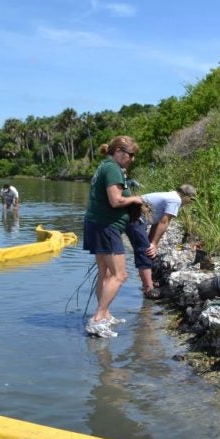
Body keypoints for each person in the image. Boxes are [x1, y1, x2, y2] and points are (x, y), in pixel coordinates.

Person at [82, 136, 145, 338]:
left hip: (96, 224)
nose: (132, 159)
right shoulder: (112, 169)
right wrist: (136, 199)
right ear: (118, 151)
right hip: (106, 226)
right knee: (120, 275)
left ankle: (105, 314)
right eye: (130, 155)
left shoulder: (105, 166)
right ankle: (98, 320)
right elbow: (116, 201)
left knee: (106, 273)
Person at [126, 184, 197, 299]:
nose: (189, 203)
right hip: (135, 217)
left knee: (146, 248)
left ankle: (148, 283)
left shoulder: (171, 196)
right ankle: (149, 289)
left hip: (135, 215)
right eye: (191, 200)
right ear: (187, 197)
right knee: (145, 251)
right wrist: (153, 244)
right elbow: (164, 222)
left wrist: (151, 241)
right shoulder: (176, 200)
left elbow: (156, 221)